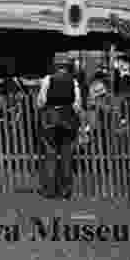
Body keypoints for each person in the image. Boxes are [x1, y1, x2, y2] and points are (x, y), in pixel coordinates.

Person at [36, 55, 82, 200]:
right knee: (67, 156)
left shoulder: (47, 80)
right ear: (67, 67)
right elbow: (77, 106)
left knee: (50, 156)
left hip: (50, 121)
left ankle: (50, 190)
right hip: (68, 122)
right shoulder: (73, 82)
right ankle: (65, 191)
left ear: (55, 66)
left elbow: (41, 102)